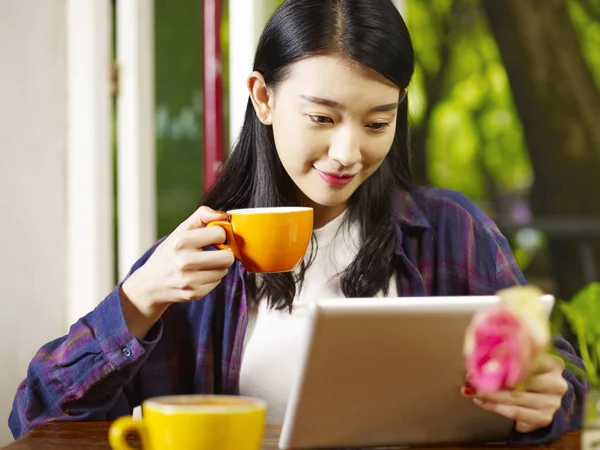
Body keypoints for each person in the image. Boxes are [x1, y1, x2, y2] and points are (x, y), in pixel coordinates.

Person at [9, 0, 586, 443]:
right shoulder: (195, 262)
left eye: (377, 122)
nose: (346, 152)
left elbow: (564, 378)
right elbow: (35, 416)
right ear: (263, 97)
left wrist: (547, 398)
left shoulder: (452, 231)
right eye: (321, 116)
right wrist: (137, 300)